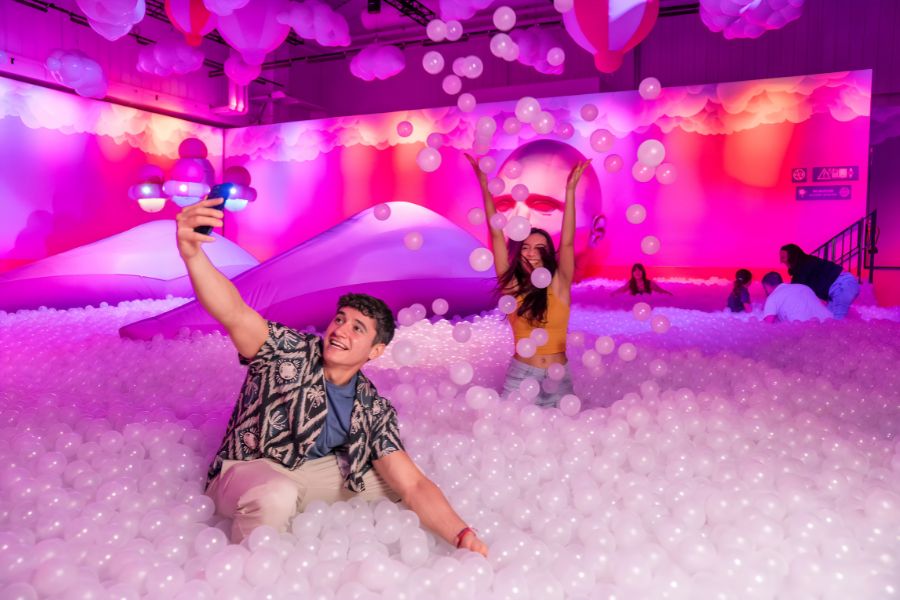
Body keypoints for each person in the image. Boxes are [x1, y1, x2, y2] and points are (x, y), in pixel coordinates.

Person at [176, 199, 488, 556]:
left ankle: (294, 510)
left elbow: (413, 484)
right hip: (249, 468)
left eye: (357, 328)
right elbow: (233, 312)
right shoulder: (288, 351)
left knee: (394, 485)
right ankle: (252, 564)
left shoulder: (370, 406)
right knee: (277, 494)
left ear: (375, 351)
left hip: (308, 473)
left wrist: (462, 536)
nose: (340, 330)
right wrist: (193, 255)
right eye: (340, 319)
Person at [467, 153, 590, 408]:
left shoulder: (559, 284)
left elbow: (567, 242)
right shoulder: (512, 287)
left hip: (558, 378)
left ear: (548, 254)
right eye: (526, 247)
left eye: (539, 248)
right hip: (522, 377)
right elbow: (496, 234)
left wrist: (570, 191)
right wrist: (484, 186)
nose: (531, 253)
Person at [780, 243, 859, 319]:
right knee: (829, 319)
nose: (781, 261)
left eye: (783, 257)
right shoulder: (803, 266)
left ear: (792, 257)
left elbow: (795, 288)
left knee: (837, 321)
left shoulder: (805, 265)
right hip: (839, 288)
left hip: (842, 285)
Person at [761, 271, 832, 322]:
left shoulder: (772, 297)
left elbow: (767, 324)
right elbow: (824, 303)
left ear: (767, 286)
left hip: (805, 329)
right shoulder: (804, 287)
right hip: (830, 321)